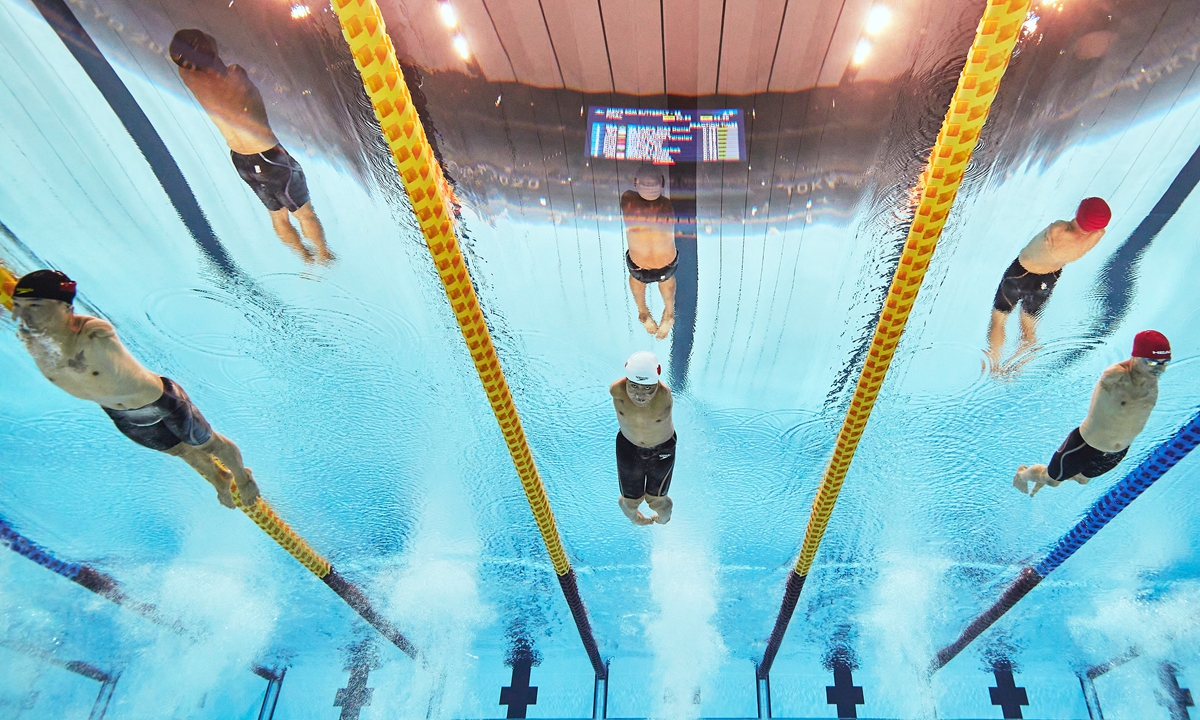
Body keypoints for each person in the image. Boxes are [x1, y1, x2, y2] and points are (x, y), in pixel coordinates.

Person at [10, 270, 260, 509]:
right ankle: (219, 479)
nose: (23, 315)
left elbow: (76, 332)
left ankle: (243, 477)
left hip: (161, 401)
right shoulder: (31, 335)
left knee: (208, 445)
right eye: (19, 306)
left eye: (34, 306)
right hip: (121, 414)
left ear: (66, 308)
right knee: (180, 451)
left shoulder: (93, 332)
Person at [170, 29, 334, 264]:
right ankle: (324, 255)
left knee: (278, 217)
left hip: (241, 161)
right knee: (305, 214)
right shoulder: (236, 75)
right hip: (269, 157)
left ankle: (303, 256)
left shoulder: (190, 78)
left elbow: (198, 60)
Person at [1014, 331, 1170, 496]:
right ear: (1136, 358)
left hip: (1119, 450)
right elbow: (1112, 375)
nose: (1160, 369)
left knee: (1082, 479)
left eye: (1165, 362)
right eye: (1153, 363)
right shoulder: (1116, 376)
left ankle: (1046, 475)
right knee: (1052, 481)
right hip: (1085, 445)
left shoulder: (1151, 382)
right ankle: (1022, 475)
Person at [987, 198, 1111, 370]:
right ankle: (1017, 366)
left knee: (998, 320)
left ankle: (993, 365)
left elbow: (1061, 229)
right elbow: (1096, 228)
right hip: (1047, 280)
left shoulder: (1058, 229)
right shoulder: (1096, 236)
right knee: (1028, 328)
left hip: (1020, 273)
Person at [609, 351, 675, 525]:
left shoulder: (664, 396)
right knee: (628, 503)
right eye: (634, 386)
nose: (640, 395)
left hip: (662, 449)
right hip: (628, 447)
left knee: (658, 503)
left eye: (648, 389)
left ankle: (664, 519)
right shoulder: (616, 390)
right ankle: (635, 519)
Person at [621, 165, 676, 340]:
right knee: (666, 279)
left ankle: (642, 311)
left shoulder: (627, 201)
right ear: (662, 184)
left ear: (637, 183)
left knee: (637, 277)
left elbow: (633, 189)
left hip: (639, 266)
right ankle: (669, 312)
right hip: (666, 265)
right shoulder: (667, 206)